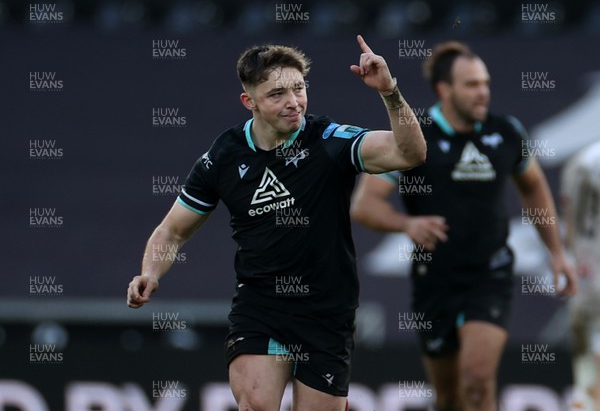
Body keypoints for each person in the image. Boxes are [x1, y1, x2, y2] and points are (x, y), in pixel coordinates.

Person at [127, 35, 426, 411]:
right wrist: (150, 273)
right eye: (277, 94)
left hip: (327, 310)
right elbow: (172, 230)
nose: (293, 102)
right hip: (260, 305)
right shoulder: (223, 156)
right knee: (255, 404)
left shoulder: (328, 141)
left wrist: (390, 92)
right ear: (248, 101)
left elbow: (410, 154)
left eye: (299, 89)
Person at [350, 40, 577, 411]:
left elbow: (534, 186)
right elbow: (364, 206)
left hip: (490, 275)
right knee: (449, 396)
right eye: (472, 84)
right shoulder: (414, 138)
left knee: (476, 382)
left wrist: (557, 253)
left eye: (485, 82)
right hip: (434, 279)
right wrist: (407, 224)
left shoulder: (506, 132)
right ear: (445, 90)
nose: (483, 91)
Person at [561, 141, 600, 411]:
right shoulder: (590, 162)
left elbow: (569, 219)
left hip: (586, 263)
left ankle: (585, 398)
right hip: (592, 263)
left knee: (586, 346)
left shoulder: (583, 159)